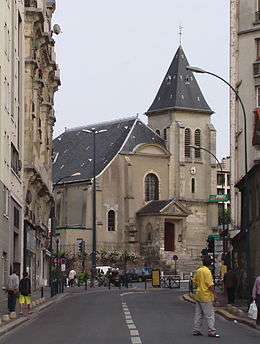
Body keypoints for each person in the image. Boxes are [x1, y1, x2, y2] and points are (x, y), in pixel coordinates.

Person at [192, 255, 220, 338]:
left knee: (198, 314)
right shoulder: (207, 272)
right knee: (210, 315)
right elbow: (210, 285)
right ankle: (212, 331)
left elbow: (194, 281)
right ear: (210, 264)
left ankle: (196, 330)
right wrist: (215, 294)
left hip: (198, 294)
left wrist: (200, 286)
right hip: (206, 296)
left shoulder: (199, 270)